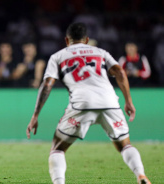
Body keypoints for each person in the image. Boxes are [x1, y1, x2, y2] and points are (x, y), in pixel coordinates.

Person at [26, 23, 151, 184]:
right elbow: (120, 71)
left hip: (81, 104)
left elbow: (47, 84)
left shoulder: (58, 56)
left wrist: (36, 115)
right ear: (86, 40)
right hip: (109, 102)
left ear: (66, 40)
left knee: (57, 148)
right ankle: (140, 175)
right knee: (125, 145)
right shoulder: (100, 52)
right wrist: (128, 102)